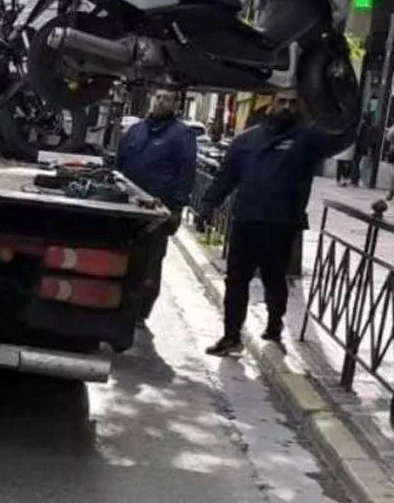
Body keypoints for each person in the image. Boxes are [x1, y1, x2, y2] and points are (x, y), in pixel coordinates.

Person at [197, 86, 355, 356]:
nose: (287, 107)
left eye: (293, 103)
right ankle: (231, 335)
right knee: (236, 280)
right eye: (282, 101)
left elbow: (342, 137)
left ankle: (274, 323)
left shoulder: (308, 140)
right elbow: (226, 177)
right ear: (271, 104)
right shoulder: (246, 141)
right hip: (246, 221)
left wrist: (344, 100)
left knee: (274, 279)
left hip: (281, 224)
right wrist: (207, 205)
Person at [115, 88, 196, 325]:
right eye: (158, 97)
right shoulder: (135, 131)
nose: (161, 102)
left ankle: (140, 312)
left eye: (167, 99)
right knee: (124, 255)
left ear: (175, 104)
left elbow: (186, 173)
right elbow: (120, 166)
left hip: (158, 213)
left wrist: (176, 209)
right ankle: (120, 304)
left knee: (150, 262)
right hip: (127, 208)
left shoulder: (182, 135)